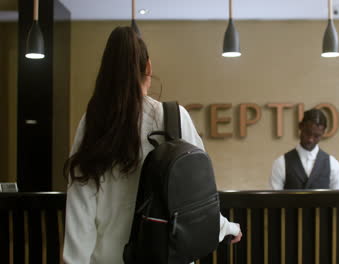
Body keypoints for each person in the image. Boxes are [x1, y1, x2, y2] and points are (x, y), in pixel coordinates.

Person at [63, 26, 242, 264]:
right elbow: (196, 194)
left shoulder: (93, 122)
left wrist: (73, 260)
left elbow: (80, 202)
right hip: (165, 256)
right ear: (148, 67)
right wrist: (227, 227)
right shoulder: (172, 117)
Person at [270, 108, 339, 190]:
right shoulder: (280, 163)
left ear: (323, 133)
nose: (310, 139)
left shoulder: (333, 164)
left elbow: (338, 200)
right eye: (307, 133)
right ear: (300, 127)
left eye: (316, 136)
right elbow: (274, 200)